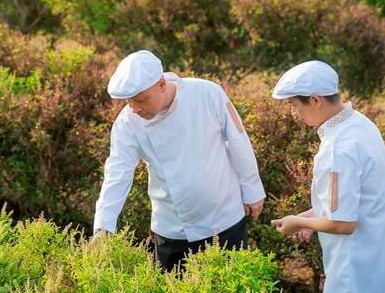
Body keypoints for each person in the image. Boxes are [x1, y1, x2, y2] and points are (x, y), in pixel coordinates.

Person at [93, 50, 266, 273]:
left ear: (162, 85)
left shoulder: (207, 93)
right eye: (129, 102)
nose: (135, 109)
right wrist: (103, 226)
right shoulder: (127, 123)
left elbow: (238, 140)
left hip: (225, 219)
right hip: (171, 230)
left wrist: (252, 189)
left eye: (141, 100)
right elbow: (117, 173)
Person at [269, 60, 385, 293]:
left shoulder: (338, 148)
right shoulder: (360, 124)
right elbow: (350, 198)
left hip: (353, 280)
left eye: (295, 105)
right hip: (376, 272)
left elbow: (342, 223)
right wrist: (311, 218)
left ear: (316, 100)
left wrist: (298, 222)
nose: (295, 113)